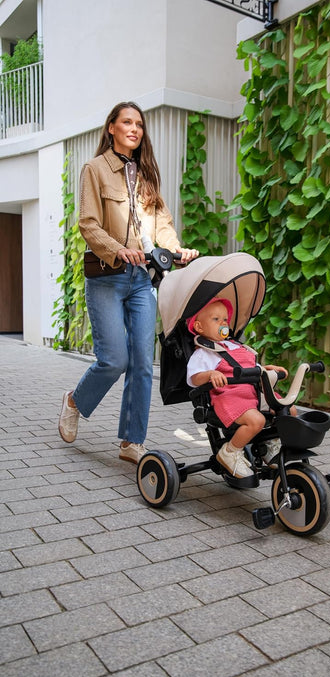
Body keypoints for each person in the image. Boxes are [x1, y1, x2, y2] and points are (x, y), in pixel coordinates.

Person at [58, 101, 198, 463]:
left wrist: (178, 250)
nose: (134, 129)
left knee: (141, 364)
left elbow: (162, 225)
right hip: (107, 276)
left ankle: (132, 441)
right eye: (127, 122)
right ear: (112, 128)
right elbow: (88, 224)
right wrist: (118, 250)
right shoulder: (95, 169)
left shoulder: (147, 174)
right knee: (114, 359)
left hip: (141, 280)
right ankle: (75, 401)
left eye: (139, 124)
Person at [186, 298, 295, 479]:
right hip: (229, 397)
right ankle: (230, 452)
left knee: (289, 410)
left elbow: (249, 368)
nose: (223, 323)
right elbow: (194, 378)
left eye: (225, 320)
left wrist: (265, 369)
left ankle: (269, 442)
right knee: (256, 420)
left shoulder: (235, 346)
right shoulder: (204, 353)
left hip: (253, 392)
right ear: (199, 326)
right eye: (216, 319)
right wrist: (210, 374)